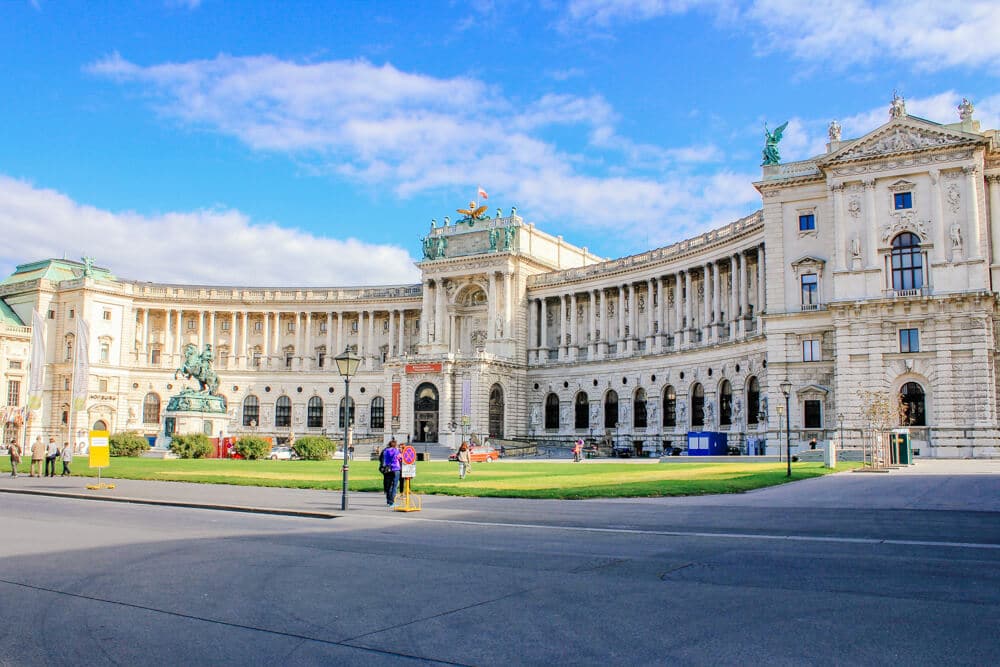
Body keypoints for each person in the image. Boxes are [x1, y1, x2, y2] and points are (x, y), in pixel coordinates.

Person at [380, 439, 401, 507]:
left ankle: (388, 501)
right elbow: (400, 458)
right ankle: (392, 502)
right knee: (394, 486)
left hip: (387, 469)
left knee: (389, 486)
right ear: (395, 445)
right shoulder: (396, 451)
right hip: (395, 469)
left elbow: (382, 458)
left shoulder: (385, 451)